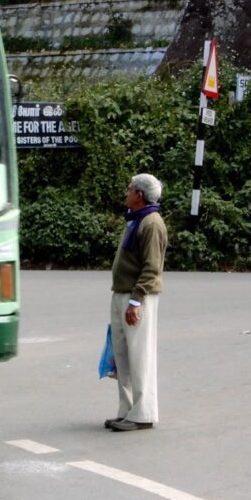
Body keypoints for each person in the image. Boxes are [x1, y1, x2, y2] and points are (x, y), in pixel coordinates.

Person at [106, 173, 168, 432]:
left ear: (139, 195)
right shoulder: (136, 219)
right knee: (123, 357)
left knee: (139, 356)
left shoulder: (151, 223)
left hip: (136, 297)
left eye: (129, 189)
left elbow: (152, 268)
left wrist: (135, 301)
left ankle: (143, 413)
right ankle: (127, 409)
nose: (126, 192)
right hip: (122, 293)